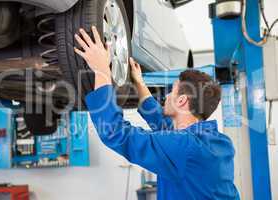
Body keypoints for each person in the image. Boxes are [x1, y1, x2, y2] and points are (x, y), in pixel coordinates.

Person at [74, 26, 240, 200]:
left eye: (172, 92)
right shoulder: (219, 143)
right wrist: (139, 82)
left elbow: (115, 133)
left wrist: (101, 70)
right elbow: (164, 124)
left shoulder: (186, 146)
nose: (166, 96)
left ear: (182, 101)